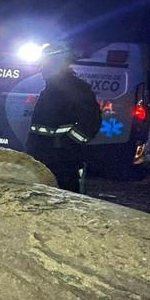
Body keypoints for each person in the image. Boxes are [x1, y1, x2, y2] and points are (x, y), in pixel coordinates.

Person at [26, 45, 101, 192]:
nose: (41, 69)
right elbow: (39, 127)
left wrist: (66, 143)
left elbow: (91, 122)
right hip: (43, 156)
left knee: (65, 197)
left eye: (45, 64)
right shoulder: (49, 91)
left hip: (64, 161)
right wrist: (32, 149)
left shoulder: (76, 90)